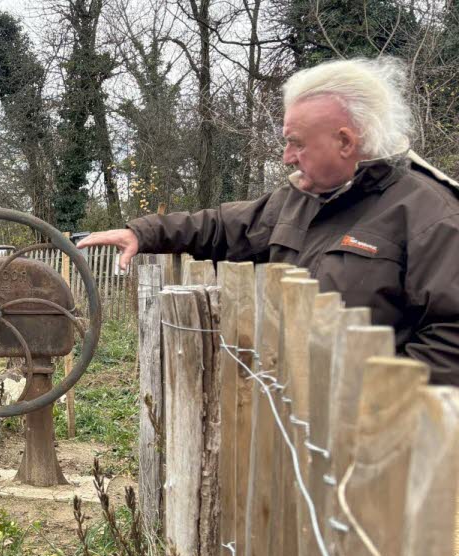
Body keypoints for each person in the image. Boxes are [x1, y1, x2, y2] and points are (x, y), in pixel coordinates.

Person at [77, 57, 459, 386]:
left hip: (377, 440)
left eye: (297, 143)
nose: (287, 157)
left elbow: (450, 337)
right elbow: (221, 226)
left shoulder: (431, 215)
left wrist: (376, 403)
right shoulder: (301, 200)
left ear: (345, 142)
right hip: (298, 421)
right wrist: (142, 233)